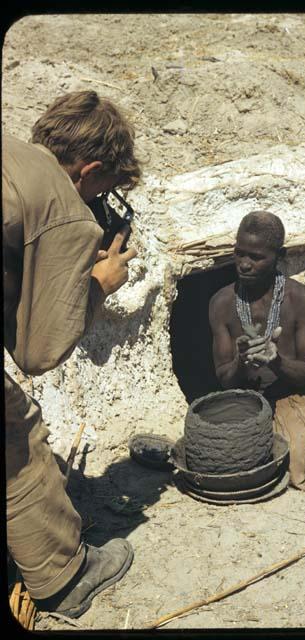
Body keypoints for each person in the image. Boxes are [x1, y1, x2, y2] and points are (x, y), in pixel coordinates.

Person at [3, 90, 141, 618]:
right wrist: (98, 284)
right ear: (90, 169)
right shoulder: (63, 205)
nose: (101, 200)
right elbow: (38, 352)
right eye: (106, 186)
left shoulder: (11, 153)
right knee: (17, 435)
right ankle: (67, 578)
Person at [209, 211, 305, 491]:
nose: (244, 264)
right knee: (214, 456)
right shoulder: (221, 303)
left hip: (294, 397)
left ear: (277, 256)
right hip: (246, 403)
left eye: (256, 257)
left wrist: (276, 361)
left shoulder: (300, 299)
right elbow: (224, 380)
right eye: (239, 254)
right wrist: (242, 363)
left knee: (298, 455)